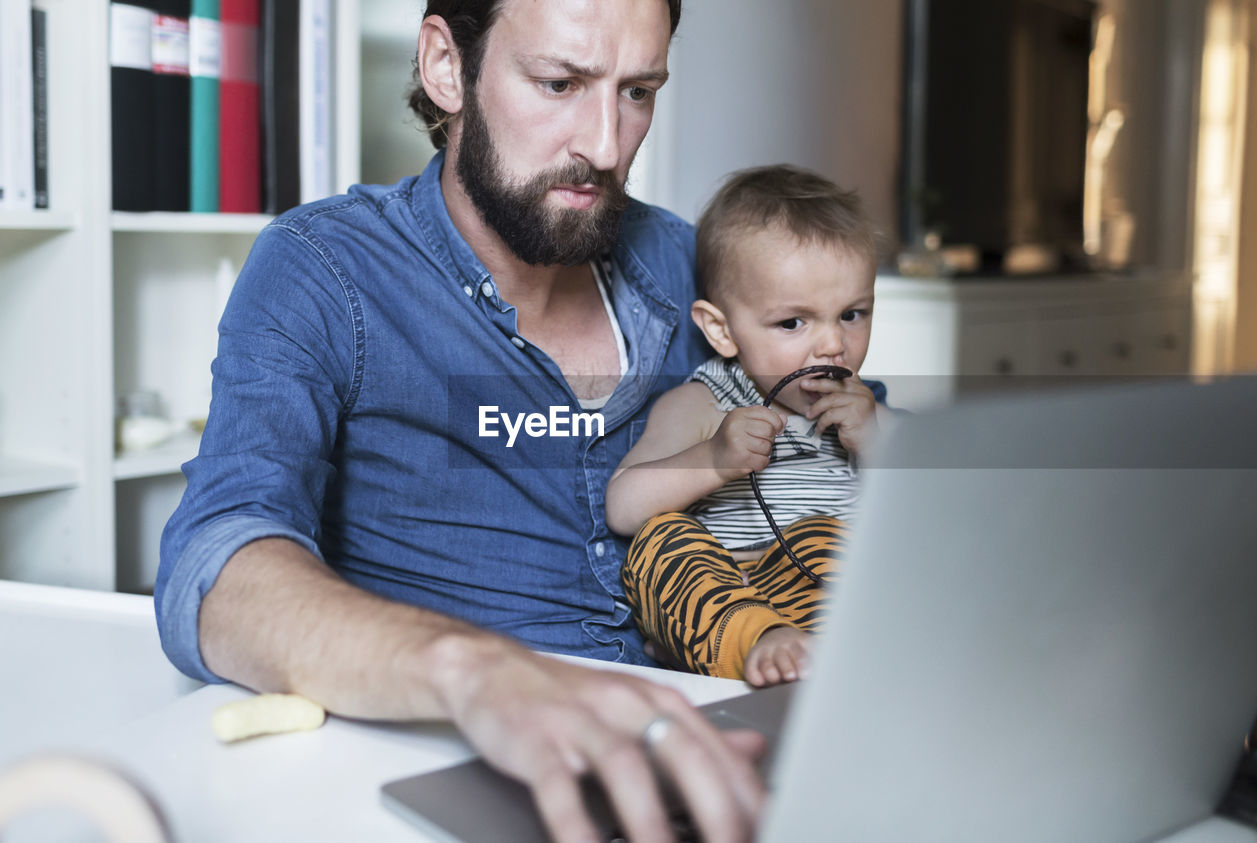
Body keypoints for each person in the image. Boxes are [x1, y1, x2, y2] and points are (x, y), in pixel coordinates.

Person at [154, 1, 768, 840]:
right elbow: (215, 563)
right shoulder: (325, 269)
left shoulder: (682, 261)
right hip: (461, 786)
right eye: (559, 83)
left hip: (710, 754)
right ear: (447, 66)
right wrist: (476, 672)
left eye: (638, 92)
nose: (605, 143)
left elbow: (862, 439)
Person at [606, 165, 890, 688]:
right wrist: (714, 460)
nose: (832, 345)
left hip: (834, 608)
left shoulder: (868, 411)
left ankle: (829, 660)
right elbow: (623, 508)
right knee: (659, 542)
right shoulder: (703, 403)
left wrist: (876, 441)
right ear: (721, 329)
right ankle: (758, 643)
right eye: (793, 323)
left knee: (831, 540)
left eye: (852, 314)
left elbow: (944, 512)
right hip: (728, 598)